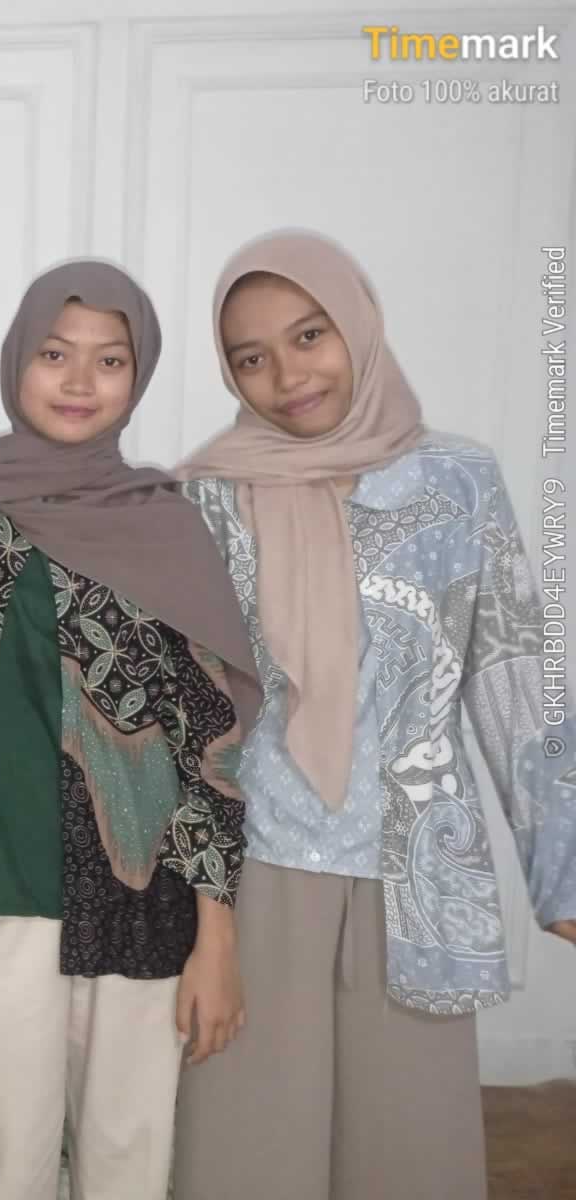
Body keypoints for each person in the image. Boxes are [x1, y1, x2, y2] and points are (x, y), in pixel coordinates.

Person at [173, 229, 576, 1200]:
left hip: (419, 866)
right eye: (250, 357)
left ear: (358, 323)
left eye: (309, 335)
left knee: (408, 1152)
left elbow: (511, 675)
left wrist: (561, 867)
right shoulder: (209, 496)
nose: (287, 375)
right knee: (244, 1154)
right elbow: (190, 713)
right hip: (261, 866)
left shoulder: (457, 483)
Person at [0, 260, 261, 1200]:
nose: (79, 381)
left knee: (126, 1158)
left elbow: (213, 745)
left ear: (138, 373)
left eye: (110, 360)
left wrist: (217, 937)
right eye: (55, 354)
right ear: (16, 362)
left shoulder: (168, 525)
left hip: (143, 899)